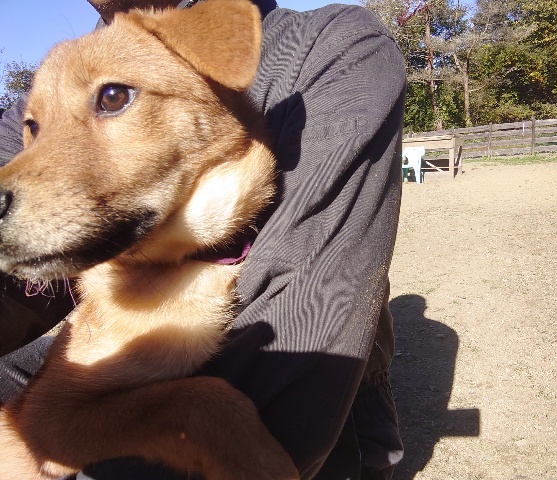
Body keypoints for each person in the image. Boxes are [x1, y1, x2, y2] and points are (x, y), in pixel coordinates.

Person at [0, 0, 407, 478]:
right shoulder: (64, 70)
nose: (37, 155)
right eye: (35, 127)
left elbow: (301, 399)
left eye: (113, 98)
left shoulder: (328, 50)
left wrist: (198, 417)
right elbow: (48, 426)